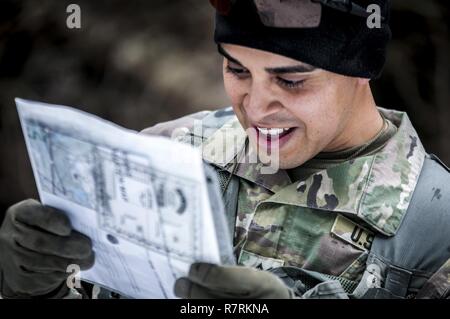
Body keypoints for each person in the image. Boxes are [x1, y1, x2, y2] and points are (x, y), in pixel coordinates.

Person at [1, 0, 449, 299]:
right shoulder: (165, 153)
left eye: (290, 81)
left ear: (360, 72)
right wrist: (38, 288)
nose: (255, 106)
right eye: (237, 70)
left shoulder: (436, 230)